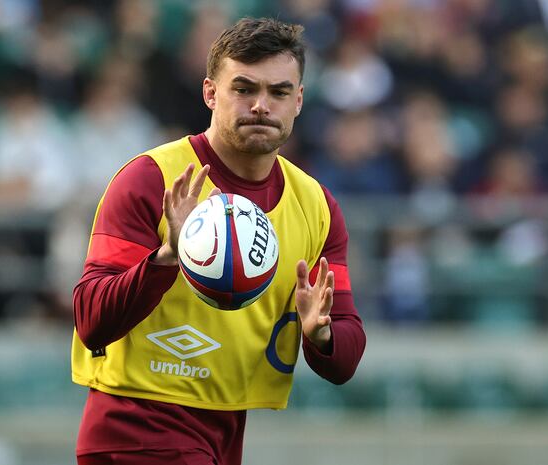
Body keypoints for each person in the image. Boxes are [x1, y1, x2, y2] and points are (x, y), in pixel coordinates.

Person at [71, 18, 366, 465]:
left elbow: (345, 354)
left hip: (224, 430)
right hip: (137, 425)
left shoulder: (316, 207)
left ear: (299, 100)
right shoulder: (151, 179)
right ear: (210, 93)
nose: (261, 105)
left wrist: (321, 334)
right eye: (244, 89)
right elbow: (91, 319)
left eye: (279, 92)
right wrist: (166, 258)